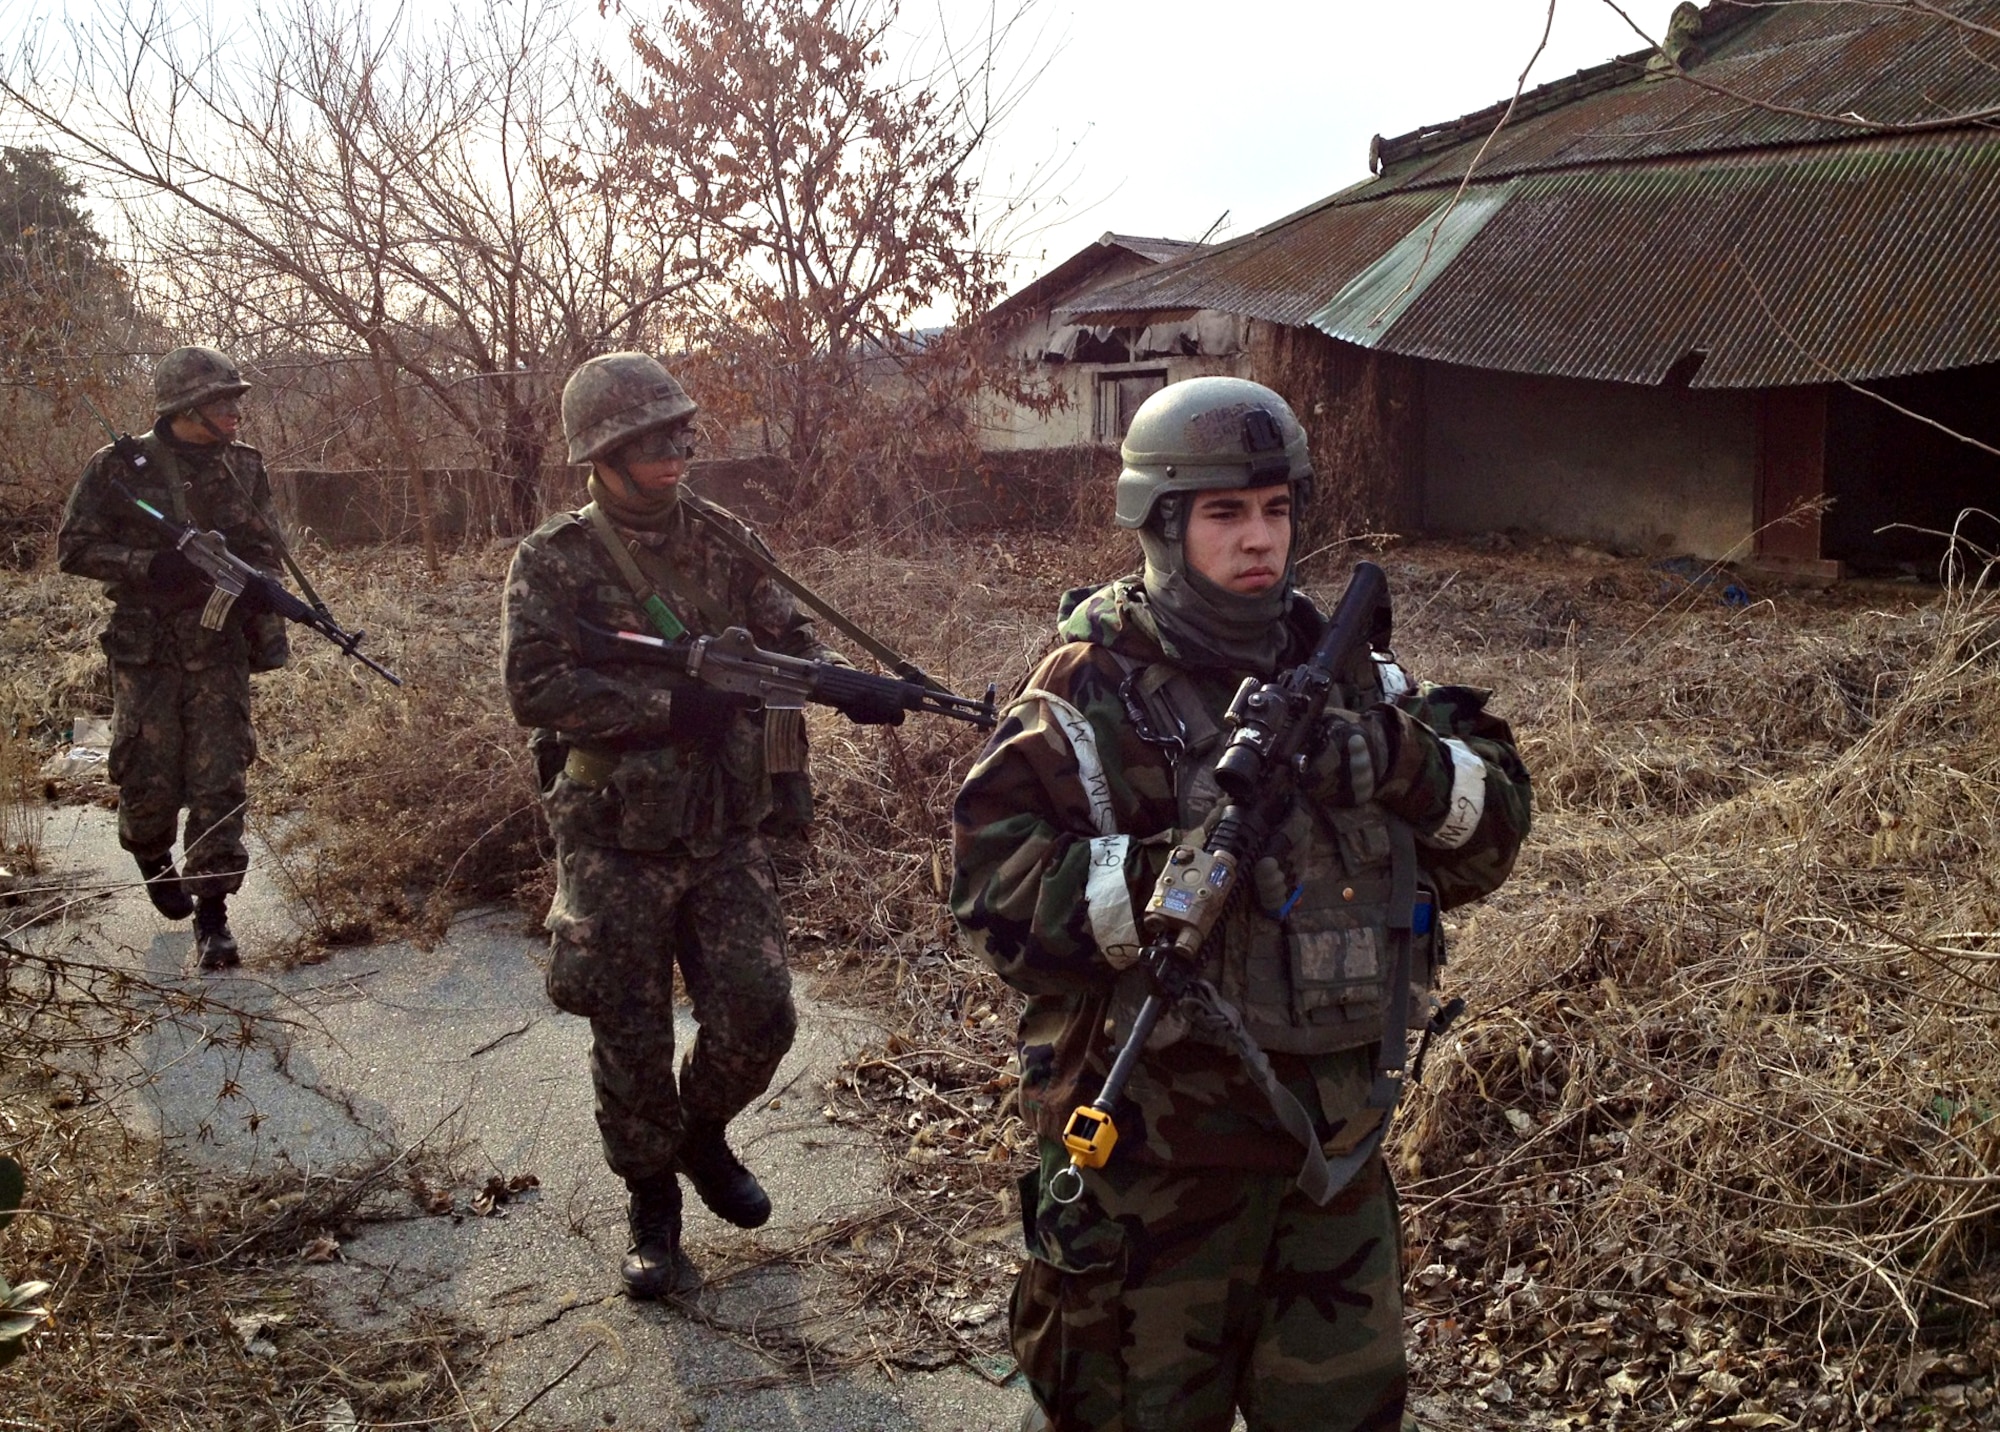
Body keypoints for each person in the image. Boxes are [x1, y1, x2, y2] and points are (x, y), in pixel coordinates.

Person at [951, 376, 1532, 1432]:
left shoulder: (1360, 677)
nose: (1257, 538)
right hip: (1149, 1177)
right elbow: (988, 888)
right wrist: (1168, 877)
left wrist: (1397, 762)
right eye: (1224, 513)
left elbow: (1494, 828)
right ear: (1162, 525)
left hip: (1330, 1164)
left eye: (1275, 509)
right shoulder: (1086, 690)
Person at [502, 352, 891, 1298]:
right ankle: (654, 1212)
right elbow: (535, 687)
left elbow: (790, 636)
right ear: (602, 454)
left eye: (681, 437)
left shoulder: (726, 537)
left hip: (722, 827)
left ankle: (701, 1134)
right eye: (651, 445)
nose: (676, 457)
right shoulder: (554, 559)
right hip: (612, 834)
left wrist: (843, 685)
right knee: (627, 1030)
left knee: (761, 1012)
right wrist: (673, 710)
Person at [58, 346, 291, 971]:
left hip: (218, 650)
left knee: (222, 779)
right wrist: (148, 566)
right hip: (147, 650)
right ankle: (150, 853)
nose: (236, 415)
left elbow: (266, 546)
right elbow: (73, 548)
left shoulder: (243, 467)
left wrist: (257, 589)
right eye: (223, 404)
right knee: (147, 775)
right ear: (188, 408)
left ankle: (213, 917)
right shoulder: (117, 469)